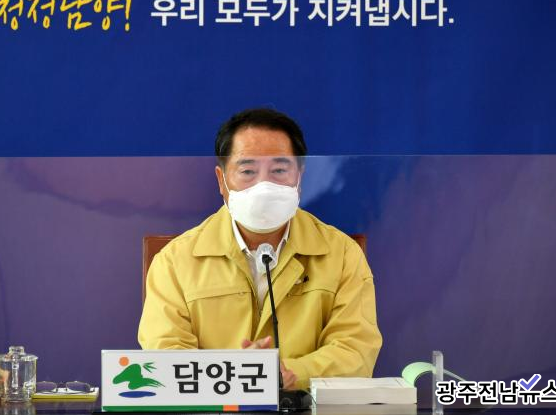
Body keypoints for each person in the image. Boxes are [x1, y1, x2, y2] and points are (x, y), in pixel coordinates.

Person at [138, 108, 382, 390]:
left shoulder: (342, 255)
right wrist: (240, 374)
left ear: (299, 177)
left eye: (279, 170)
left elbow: (356, 352)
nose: (263, 186)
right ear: (221, 180)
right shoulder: (174, 261)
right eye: (247, 171)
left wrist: (288, 373)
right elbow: (164, 357)